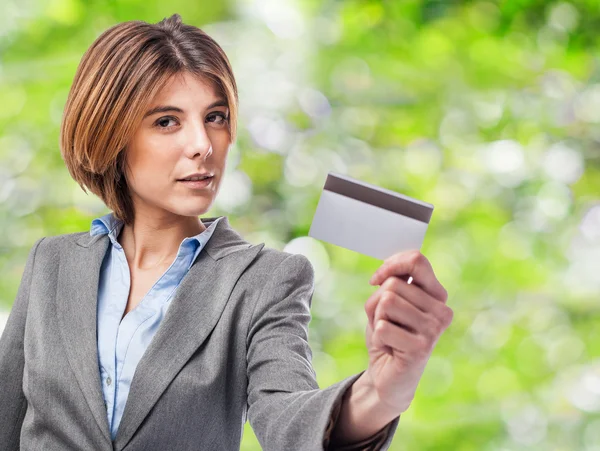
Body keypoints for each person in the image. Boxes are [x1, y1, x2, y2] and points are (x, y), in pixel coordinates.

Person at [0, 13, 453, 451]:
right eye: (167, 121)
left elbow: (288, 418)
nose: (203, 145)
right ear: (111, 134)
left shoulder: (265, 280)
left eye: (214, 117)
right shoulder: (52, 263)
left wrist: (380, 392)